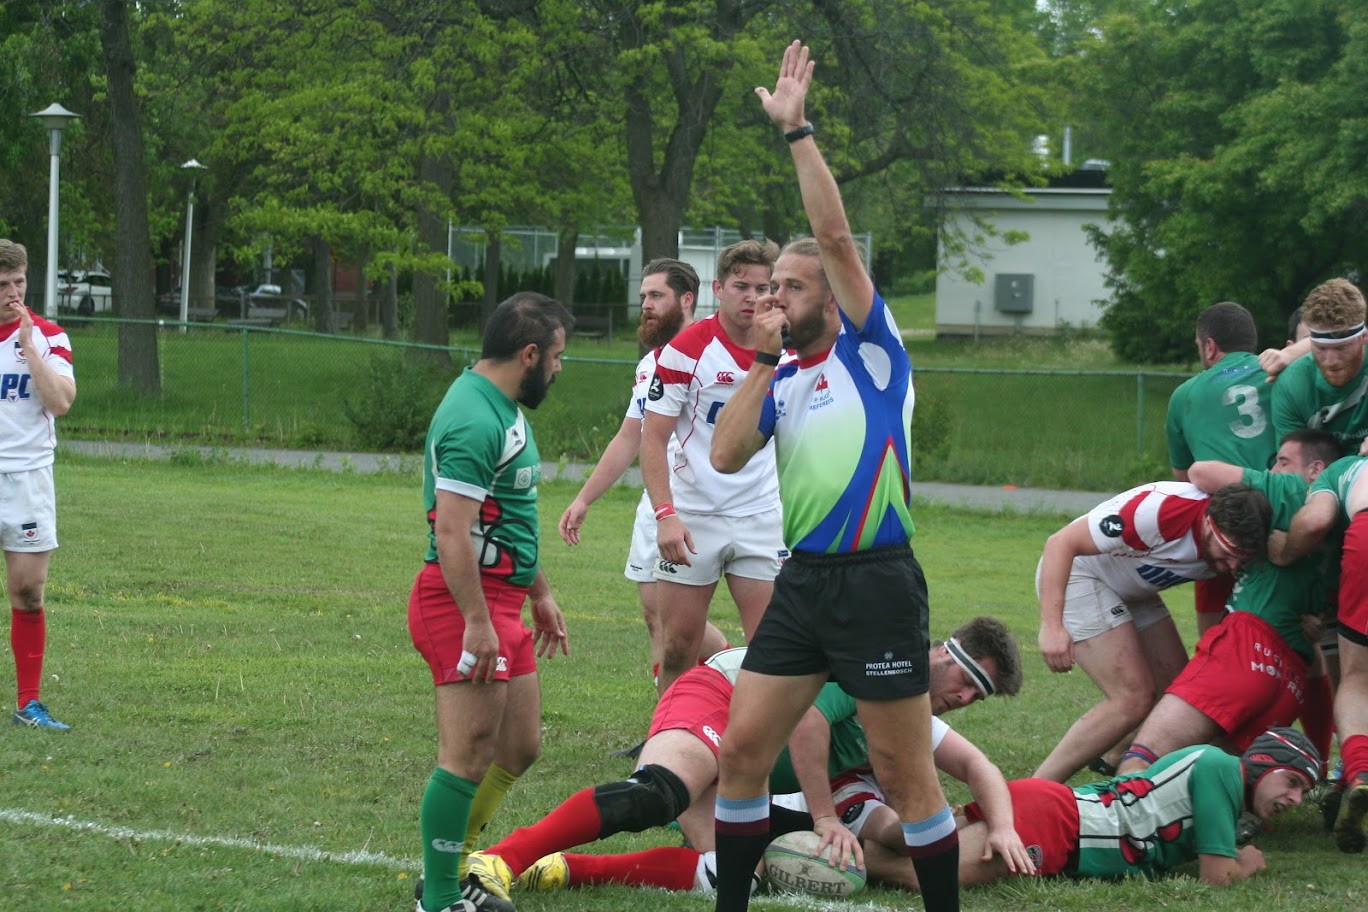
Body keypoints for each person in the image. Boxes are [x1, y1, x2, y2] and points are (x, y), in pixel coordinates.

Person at [705, 40, 959, 912]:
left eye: (791, 285)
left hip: (878, 582)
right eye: (768, 286)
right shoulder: (784, 379)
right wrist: (763, 364)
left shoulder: (875, 356)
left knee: (902, 772)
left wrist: (797, 131)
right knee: (742, 751)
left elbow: (836, 237)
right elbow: (724, 455)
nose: (775, 295)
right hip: (804, 582)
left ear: (833, 294)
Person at [452, 618, 1022, 904]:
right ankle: (497, 860)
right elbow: (807, 720)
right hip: (723, 695)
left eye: (981, 695)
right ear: (942, 653)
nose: (967, 698)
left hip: (743, 765)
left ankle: (559, 869)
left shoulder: (909, 715)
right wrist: (823, 817)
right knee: (659, 793)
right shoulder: (876, 666)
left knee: (728, 877)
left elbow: (980, 769)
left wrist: (999, 825)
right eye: (967, 680)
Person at [408, 292, 572, 912]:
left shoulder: (500, 405)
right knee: (468, 753)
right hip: (462, 607)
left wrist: (540, 592)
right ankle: (442, 896)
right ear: (528, 354)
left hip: (499, 602)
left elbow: (506, 519)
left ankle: (455, 863)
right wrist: (477, 621)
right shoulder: (475, 418)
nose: (558, 369)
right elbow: (452, 531)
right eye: (556, 357)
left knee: (519, 745)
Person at [1113, 430, 1341, 776]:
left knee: (1146, 758)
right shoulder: (1350, 521)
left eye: (1283, 462)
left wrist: (1284, 547)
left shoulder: (1288, 490)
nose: (1275, 470)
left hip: (1247, 646)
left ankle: (1098, 820)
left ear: (1316, 469)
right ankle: (1320, 770)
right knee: (1211, 780)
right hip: (1291, 678)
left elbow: (1199, 472)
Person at [556, 259, 727, 697]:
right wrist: (584, 499)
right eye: (643, 298)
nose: (646, 306)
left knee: (678, 626)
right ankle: (667, 723)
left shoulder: (718, 349)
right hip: (655, 504)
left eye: (656, 296)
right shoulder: (651, 363)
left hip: (703, 504)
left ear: (686, 299)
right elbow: (628, 438)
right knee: (656, 617)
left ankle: (727, 677)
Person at [1034, 481, 1272, 783]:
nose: (1232, 565)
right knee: (1132, 697)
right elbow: (1060, 543)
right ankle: (1033, 791)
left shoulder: (1229, 547)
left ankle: (1117, 756)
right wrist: (1051, 626)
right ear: (1209, 524)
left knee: (1180, 699)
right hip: (1080, 573)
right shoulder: (1158, 513)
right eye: (1227, 553)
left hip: (1133, 587)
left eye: (1242, 559)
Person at [641, 238, 784, 697]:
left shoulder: (791, 349)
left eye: (765, 288)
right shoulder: (687, 348)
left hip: (761, 516)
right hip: (694, 516)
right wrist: (666, 515)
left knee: (772, 650)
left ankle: (761, 753)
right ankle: (667, 744)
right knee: (679, 646)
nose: (754, 297)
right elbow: (653, 437)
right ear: (719, 289)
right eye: (742, 286)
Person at [946, 730, 1319, 887]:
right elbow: (1217, 876)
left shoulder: (1218, 774)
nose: (1296, 799)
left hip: (1053, 809)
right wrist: (1248, 863)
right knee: (923, 873)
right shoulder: (1222, 769)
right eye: (1293, 782)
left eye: (1304, 791)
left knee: (914, 844)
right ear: (1265, 762)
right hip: (1058, 824)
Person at [1268, 450, 1368, 852]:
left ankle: (1358, 772)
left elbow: (1313, 521)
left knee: (1357, 679)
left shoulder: (1348, 467)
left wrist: (1282, 550)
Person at [0, 240, 76, 732]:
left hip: (27, 475)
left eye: (19, 282)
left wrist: (28, 347)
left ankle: (29, 703)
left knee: (28, 591)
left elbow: (62, 402)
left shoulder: (48, 336)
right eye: (3, 285)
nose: (13, 293)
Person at [1166, 301, 1277, 637]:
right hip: (1282, 514)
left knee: (1215, 631)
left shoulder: (1185, 394)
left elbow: (1183, 480)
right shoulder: (1280, 374)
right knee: (1291, 633)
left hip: (1224, 527)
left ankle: (1211, 672)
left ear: (1210, 346)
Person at [1271, 278, 1368, 454]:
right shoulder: (1291, 385)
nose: (1330, 361)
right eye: (1320, 348)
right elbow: (1294, 470)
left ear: (1364, 338)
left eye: (1341, 348)